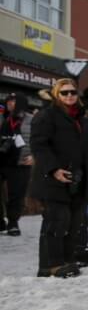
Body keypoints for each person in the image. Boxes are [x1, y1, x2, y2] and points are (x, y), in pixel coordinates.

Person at [29, 79, 88, 278]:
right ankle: (50, 264)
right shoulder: (47, 116)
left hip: (79, 181)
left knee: (74, 223)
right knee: (57, 222)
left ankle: (67, 260)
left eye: (73, 92)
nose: (69, 96)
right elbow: (39, 146)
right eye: (64, 92)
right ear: (57, 95)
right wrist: (53, 170)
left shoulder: (82, 120)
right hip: (54, 180)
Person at [0, 93, 33, 236]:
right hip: (2, 160)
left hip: (21, 162)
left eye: (13, 101)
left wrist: (35, 156)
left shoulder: (32, 120)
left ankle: (13, 222)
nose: (9, 103)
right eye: (8, 100)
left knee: (16, 194)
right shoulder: (2, 118)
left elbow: (41, 140)